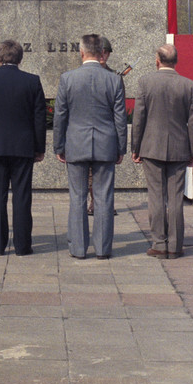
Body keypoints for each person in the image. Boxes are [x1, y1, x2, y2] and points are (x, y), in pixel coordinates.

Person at [53, 34, 127, 260]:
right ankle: (103, 249)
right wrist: (121, 148)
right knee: (104, 197)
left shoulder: (68, 79)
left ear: (82, 52)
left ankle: (78, 248)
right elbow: (120, 119)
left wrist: (59, 146)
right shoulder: (114, 80)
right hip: (106, 145)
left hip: (76, 144)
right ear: (102, 53)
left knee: (77, 197)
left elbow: (60, 116)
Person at [0, 39, 46, 255]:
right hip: (23, 147)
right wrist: (39, 147)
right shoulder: (32, 81)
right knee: (22, 196)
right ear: (20, 58)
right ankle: (22, 246)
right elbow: (39, 117)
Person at [131, 44, 193, 259]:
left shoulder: (145, 82)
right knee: (176, 197)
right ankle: (176, 245)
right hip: (180, 149)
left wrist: (135, 147)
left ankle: (159, 244)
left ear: (157, 60)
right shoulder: (189, 85)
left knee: (156, 197)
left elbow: (139, 118)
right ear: (176, 61)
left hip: (151, 147)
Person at [87, 36, 117, 217]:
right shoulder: (81, 74)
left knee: (106, 173)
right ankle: (93, 201)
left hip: (106, 133)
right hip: (86, 132)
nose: (104, 55)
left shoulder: (114, 77)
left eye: (107, 52)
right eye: (102, 51)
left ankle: (104, 202)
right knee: (89, 174)